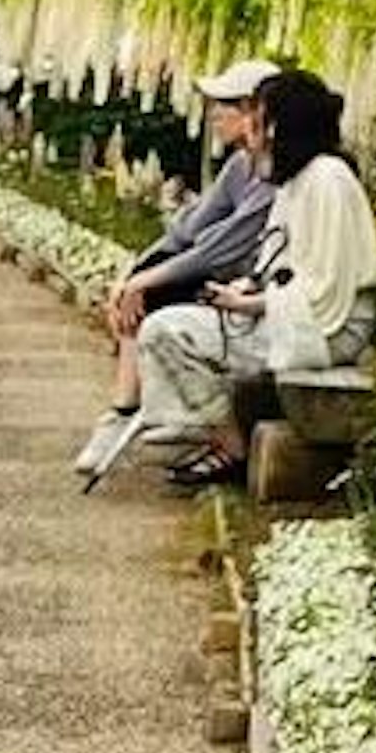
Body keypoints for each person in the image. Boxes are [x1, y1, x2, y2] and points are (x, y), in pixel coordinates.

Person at [123, 68, 376, 485]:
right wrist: (244, 289)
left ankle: (222, 445)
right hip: (294, 316)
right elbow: (278, 263)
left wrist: (251, 304)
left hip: (328, 329)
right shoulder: (294, 180)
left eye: (260, 120)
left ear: (282, 125)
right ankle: (205, 432)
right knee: (168, 326)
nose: (253, 131)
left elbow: (327, 285)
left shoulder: (328, 180)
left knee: (166, 332)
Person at [74, 64, 282, 484]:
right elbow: (187, 230)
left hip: (249, 291)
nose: (213, 116)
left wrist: (143, 284)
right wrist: (133, 275)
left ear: (252, 113)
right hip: (226, 282)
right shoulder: (240, 166)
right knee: (145, 285)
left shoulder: (273, 175)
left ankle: (130, 412)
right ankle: (127, 408)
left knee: (151, 295)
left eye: (223, 106)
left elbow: (221, 247)